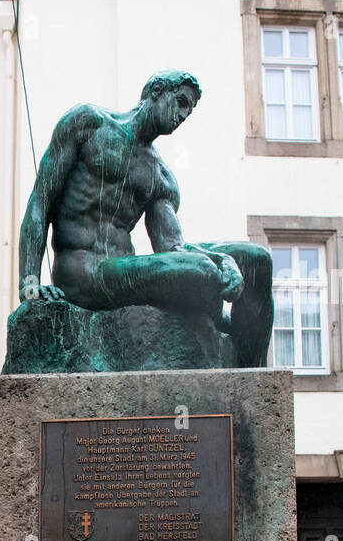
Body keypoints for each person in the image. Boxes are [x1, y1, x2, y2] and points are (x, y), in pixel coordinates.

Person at [18, 70, 273, 368]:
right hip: (83, 271)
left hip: (122, 271)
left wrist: (224, 260)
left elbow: (172, 249)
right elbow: (40, 203)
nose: (182, 115)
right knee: (204, 269)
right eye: (179, 102)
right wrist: (30, 284)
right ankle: (219, 319)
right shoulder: (87, 123)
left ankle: (248, 379)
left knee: (256, 261)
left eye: (188, 111)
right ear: (155, 92)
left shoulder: (160, 175)